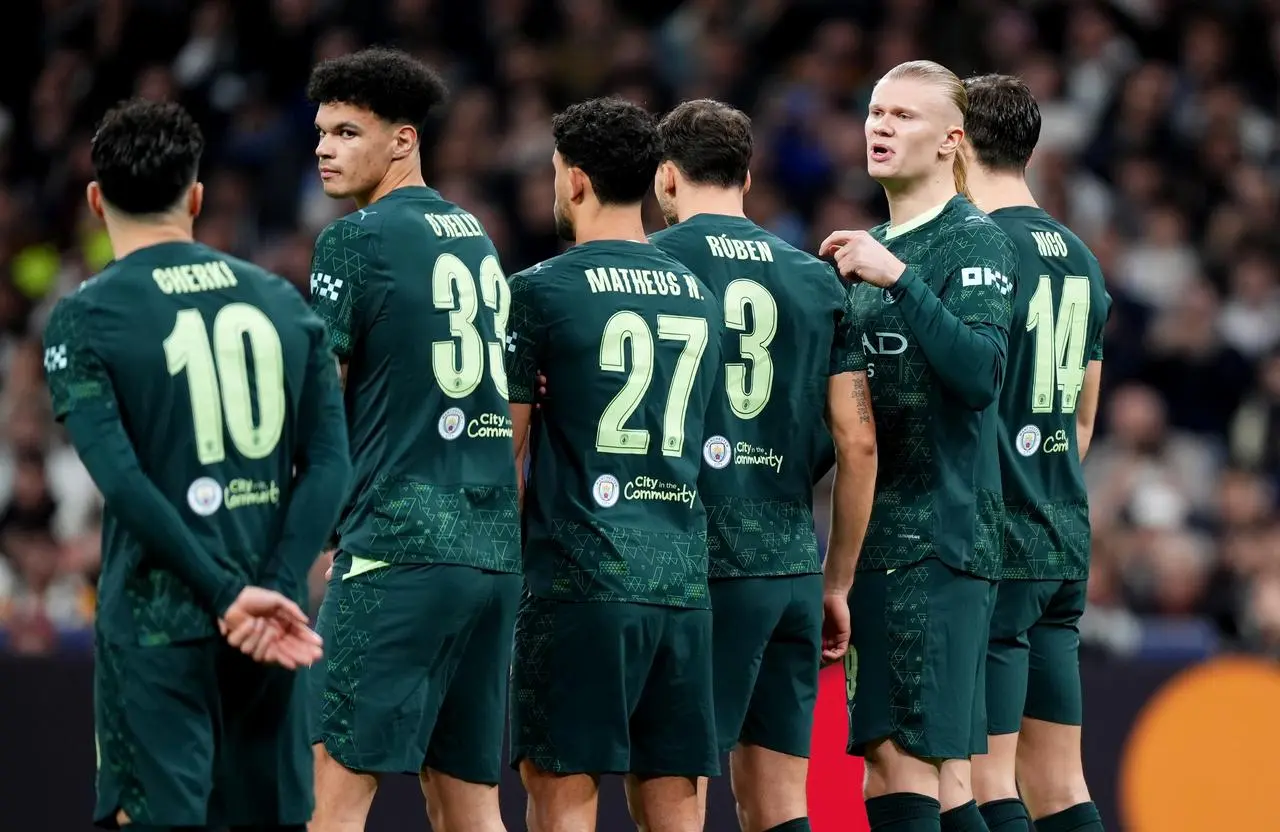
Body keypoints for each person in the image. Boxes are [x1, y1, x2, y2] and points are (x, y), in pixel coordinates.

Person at [43, 98, 349, 831]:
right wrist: (273, 588)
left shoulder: (86, 316)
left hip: (159, 626)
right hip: (269, 624)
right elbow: (331, 463)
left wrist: (222, 594)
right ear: (197, 197)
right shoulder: (282, 301)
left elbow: (121, 479)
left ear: (96, 201)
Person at [647, 98, 878, 832]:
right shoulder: (816, 279)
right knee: (778, 803)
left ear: (666, 177)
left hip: (698, 565)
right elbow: (859, 444)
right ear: (746, 179)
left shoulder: (646, 269)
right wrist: (835, 581)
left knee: (673, 792)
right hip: (791, 571)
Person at [304, 48, 521, 832]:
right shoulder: (475, 234)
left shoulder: (353, 239)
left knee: (330, 789)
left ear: (403, 140)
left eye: (346, 132)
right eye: (320, 133)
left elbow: (318, 397)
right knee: (468, 802)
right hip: (491, 555)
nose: (324, 149)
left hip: (397, 544)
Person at [504, 97, 722, 832]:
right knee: (675, 808)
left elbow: (505, 452)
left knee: (561, 796)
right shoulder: (699, 295)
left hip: (578, 583)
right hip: (682, 586)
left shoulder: (537, 291)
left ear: (574, 180)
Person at [819, 59, 1018, 832]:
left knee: (898, 765)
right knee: (946, 782)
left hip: (935, 538)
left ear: (951, 140)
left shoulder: (975, 240)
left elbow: (979, 376)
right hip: (885, 538)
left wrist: (899, 278)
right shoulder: (866, 247)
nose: (880, 126)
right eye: (876, 112)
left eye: (903, 115)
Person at [962, 74, 1110, 832]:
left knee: (986, 782)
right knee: (1060, 784)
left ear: (957, 143)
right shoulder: (1080, 255)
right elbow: (1084, 418)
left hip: (997, 538)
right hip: (1061, 528)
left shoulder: (979, 249)